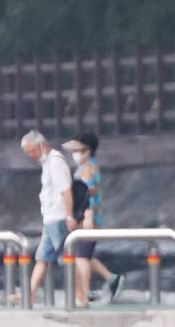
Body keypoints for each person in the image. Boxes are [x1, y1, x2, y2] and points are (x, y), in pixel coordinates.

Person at [61, 132, 125, 305]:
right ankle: (112, 278)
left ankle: (85, 293)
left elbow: (86, 197)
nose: (74, 154)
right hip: (87, 218)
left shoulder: (88, 170)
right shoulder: (85, 168)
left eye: (77, 150)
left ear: (87, 151)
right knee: (84, 255)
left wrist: (87, 218)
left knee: (81, 257)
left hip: (89, 219)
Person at [18, 130, 78, 306]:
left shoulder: (55, 162)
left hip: (58, 217)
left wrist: (69, 216)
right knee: (42, 258)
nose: (31, 155)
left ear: (42, 145)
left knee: (67, 258)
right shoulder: (48, 163)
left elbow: (66, 191)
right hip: (50, 217)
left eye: (32, 150)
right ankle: (29, 294)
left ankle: (82, 293)